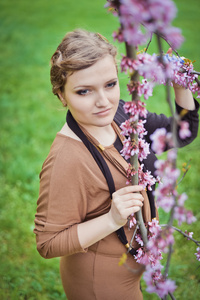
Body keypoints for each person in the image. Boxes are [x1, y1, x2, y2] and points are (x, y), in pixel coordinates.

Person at [34, 29, 199, 300]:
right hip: (101, 277)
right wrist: (111, 218)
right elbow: (47, 243)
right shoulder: (67, 158)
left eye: (110, 84)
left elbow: (181, 132)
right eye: (84, 91)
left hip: (136, 261)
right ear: (62, 95)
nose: (103, 102)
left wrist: (180, 85)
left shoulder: (122, 114)